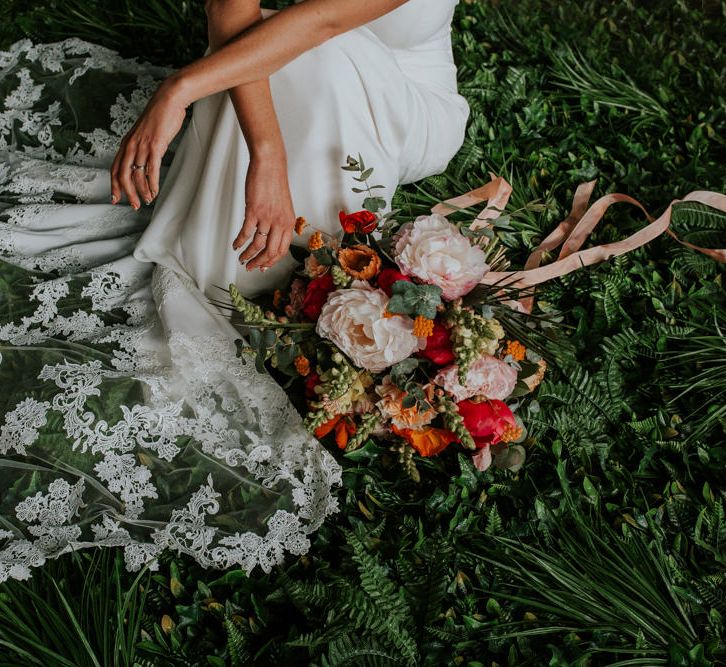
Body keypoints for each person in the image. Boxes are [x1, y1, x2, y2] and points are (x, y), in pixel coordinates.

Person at [0, 0, 469, 582]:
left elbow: (319, 23)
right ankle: (239, 257)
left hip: (400, 91)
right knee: (259, 44)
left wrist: (180, 89)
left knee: (311, 51)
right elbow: (229, 6)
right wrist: (265, 153)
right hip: (296, 47)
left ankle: (300, 259)